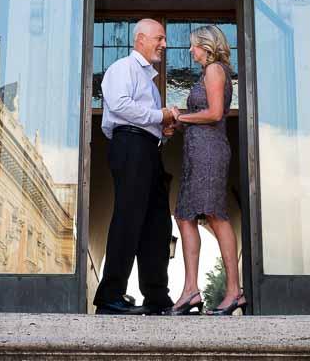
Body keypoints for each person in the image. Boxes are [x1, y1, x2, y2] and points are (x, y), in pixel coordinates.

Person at [93, 18, 177, 316]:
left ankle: (157, 298)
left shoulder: (150, 83)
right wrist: (160, 116)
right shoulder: (122, 69)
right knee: (128, 218)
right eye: (160, 38)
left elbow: (148, 119)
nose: (164, 44)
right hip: (129, 147)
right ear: (140, 38)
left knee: (158, 224)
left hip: (148, 150)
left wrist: (162, 130)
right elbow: (120, 106)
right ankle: (110, 296)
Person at [170, 24, 245, 316]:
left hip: (210, 152)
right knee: (185, 215)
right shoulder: (207, 73)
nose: (190, 51)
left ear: (208, 46)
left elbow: (214, 113)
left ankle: (233, 293)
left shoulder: (215, 69)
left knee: (215, 214)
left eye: (194, 45)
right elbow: (203, 115)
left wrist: (183, 116)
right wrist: (179, 122)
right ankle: (191, 290)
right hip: (196, 152)